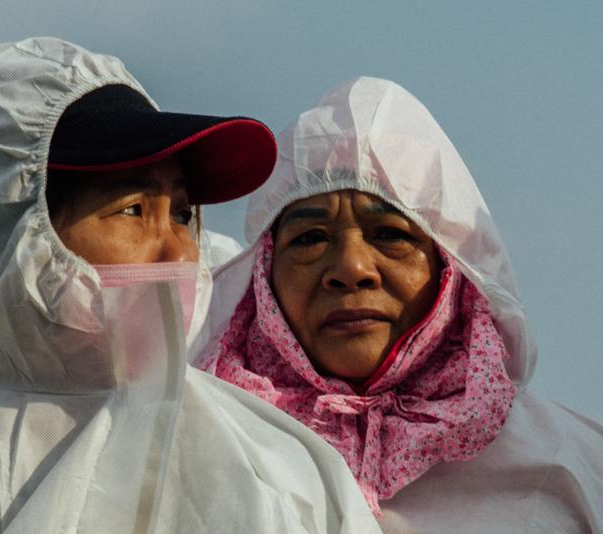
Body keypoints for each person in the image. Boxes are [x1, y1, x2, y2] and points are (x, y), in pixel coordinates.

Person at [0, 38, 382, 532]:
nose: (175, 249)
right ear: (2, 233)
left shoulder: (281, 468)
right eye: (132, 210)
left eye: (181, 213)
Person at [193, 77, 603, 532]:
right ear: (264, 273)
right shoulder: (198, 442)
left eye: (390, 234)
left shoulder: (572, 469)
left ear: (452, 268)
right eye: (309, 239)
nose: (350, 269)